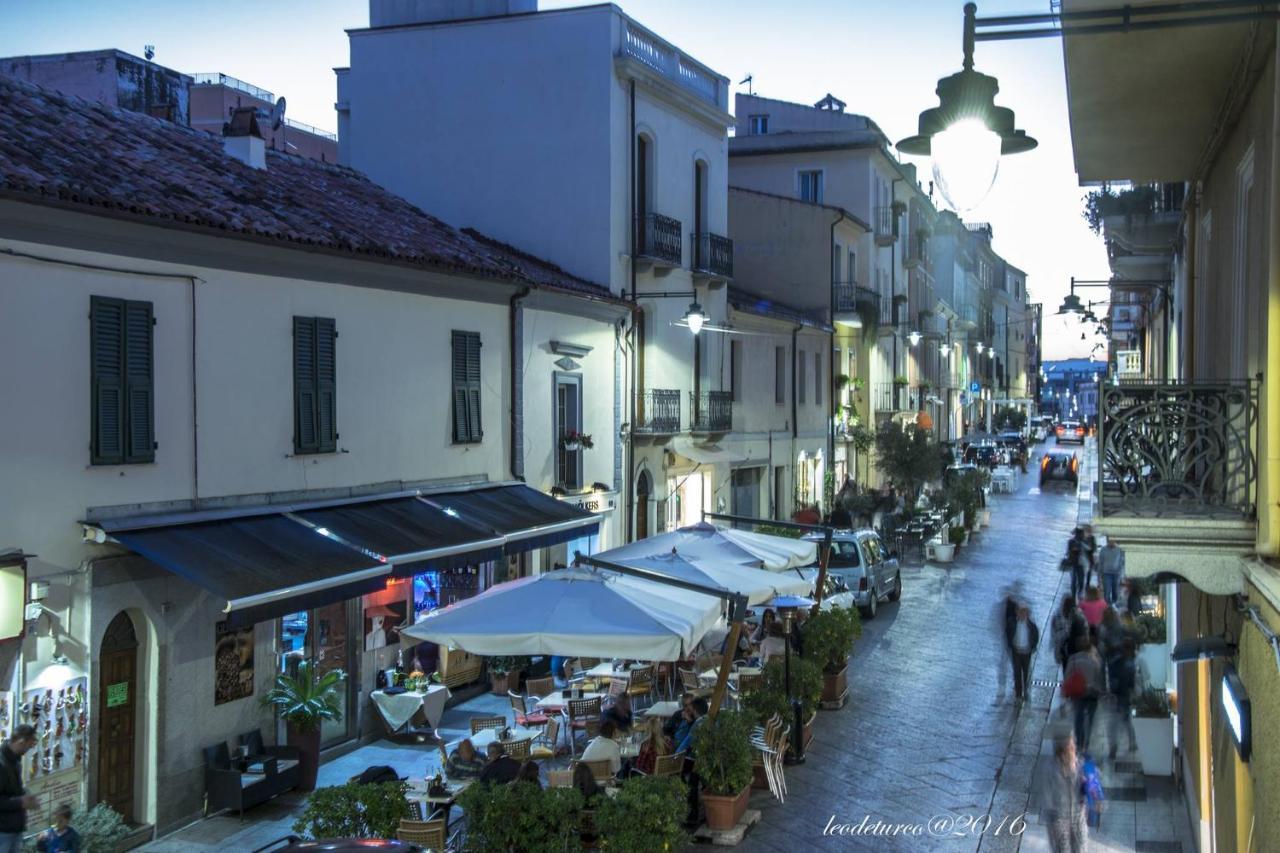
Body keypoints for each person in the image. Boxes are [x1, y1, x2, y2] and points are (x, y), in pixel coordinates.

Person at [1035, 732, 1087, 852]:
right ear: (1062, 750)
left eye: (1074, 744)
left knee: (1081, 849)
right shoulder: (1050, 770)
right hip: (1060, 822)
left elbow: (1088, 787)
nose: (1074, 748)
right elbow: (1046, 799)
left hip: (1078, 818)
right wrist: (1054, 823)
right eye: (1071, 746)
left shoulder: (1079, 764)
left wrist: (1085, 781)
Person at [0, 725, 38, 853]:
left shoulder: (15, 761)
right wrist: (21, 802)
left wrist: (26, 795)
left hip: (14, 829)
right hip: (3, 831)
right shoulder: (2, 764)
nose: (29, 749)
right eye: (29, 745)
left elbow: (12, 790)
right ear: (21, 741)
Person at [1065, 635, 1104, 753]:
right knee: (1090, 719)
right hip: (1092, 693)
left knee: (1079, 718)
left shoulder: (1073, 659)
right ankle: (1087, 742)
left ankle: (1079, 742)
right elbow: (1100, 679)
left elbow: (1068, 676)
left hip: (1078, 693)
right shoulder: (1096, 660)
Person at [1108, 638, 1139, 760]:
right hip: (1123, 696)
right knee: (1124, 721)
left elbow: (1111, 677)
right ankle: (1130, 743)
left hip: (1118, 695)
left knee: (1116, 723)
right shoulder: (1130, 664)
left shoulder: (1116, 662)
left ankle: (1115, 747)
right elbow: (1131, 683)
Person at [1005, 604, 1040, 703]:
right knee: (1017, 673)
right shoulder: (1012, 623)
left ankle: (1026, 690)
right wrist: (1011, 645)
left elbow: (1035, 635)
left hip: (1026, 652)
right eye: (1020, 611)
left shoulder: (1031, 626)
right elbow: (1008, 633)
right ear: (1016, 612)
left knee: (1026, 672)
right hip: (1016, 651)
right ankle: (1018, 693)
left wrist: (1032, 646)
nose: (1022, 614)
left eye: (1024, 612)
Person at [1051, 596, 1088, 679]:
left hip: (1069, 649)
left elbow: (1054, 633)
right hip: (1072, 650)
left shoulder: (1058, 615)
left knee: (1067, 670)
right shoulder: (1079, 616)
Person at [1098, 538, 1126, 605]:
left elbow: (1123, 563)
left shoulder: (1120, 550)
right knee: (1107, 591)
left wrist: (1122, 575)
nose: (1111, 542)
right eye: (1110, 541)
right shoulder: (1103, 550)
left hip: (1117, 573)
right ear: (1107, 541)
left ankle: (1114, 605)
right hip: (1106, 573)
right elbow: (1100, 562)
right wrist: (1099, 575)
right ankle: (1107, 606)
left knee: (1115, 591)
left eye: (1113, 541)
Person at [1065, 529, 1088, 601]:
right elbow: (1068, 552)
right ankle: (1073, 597)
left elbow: (1088, 550)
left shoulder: (1083, 542)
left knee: (1081, 581)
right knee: (1074, 581)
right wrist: (1072, 551)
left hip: (1081, 564)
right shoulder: (1071, 542)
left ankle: (1079, 593)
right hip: (1073, 563)